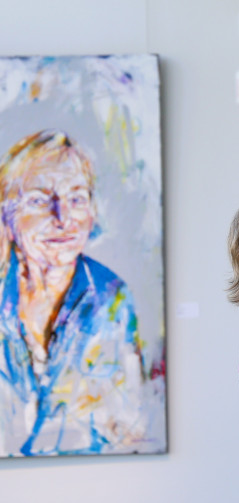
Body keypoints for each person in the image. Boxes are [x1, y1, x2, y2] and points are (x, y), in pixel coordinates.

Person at [0, 129, 145, 456]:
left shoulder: (112, 298)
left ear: (92, 211)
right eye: (38, 199)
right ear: (7, 213)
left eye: (76, 198)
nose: (63, 219)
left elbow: (132, 421)